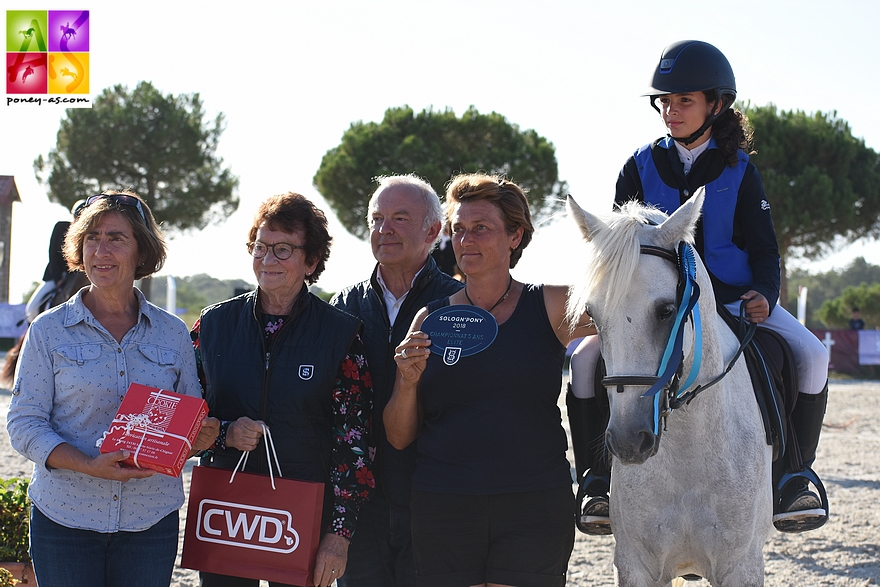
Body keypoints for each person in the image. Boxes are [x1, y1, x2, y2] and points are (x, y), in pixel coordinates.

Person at [569, 39, 830, 534]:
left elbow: (765, 249)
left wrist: (765, 295)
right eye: (665, 101)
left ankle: (793, 475)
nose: (671, 111)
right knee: (583, 363)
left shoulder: (741, 171)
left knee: (813, 357)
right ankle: (597, 481)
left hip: (733, 299)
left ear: (716, 104)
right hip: (657, 306)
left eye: (683, 100)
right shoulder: (638, 166)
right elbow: (619, 248)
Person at [384, 173, 595, 587]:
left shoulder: (552, 304)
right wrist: (407, 382)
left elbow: (635, 316)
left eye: (481, 228)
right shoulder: (430, 318)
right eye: (459, 229)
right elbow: (398, 436)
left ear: (516, 236)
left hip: (533, 501)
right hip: (444, 503)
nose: (465, 241)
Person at [7, 190, 220, 587]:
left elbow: (189, 420)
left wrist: (200, 437)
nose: (101, 250)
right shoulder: (47, 331)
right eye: (91, 238)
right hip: (65, 520)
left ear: (142, 251)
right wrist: (87, 465)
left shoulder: (173, 334)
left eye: (116, 238)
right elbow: (23, 424)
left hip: (150, 523)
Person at [192, 192, 374, 587]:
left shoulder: (341, 336)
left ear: (311, 261)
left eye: (283, 249)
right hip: (226, 511)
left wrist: (338, 536)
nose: (268, 259)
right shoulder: (212, 327)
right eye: (261, 247)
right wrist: (225, 434)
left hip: (300, 517)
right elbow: (183, 422)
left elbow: (355, 447)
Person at [331, 175, 463, 587]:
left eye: (400, 218)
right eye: (376, 219)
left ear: (433, 231)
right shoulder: (343, 305)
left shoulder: (459, 306)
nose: (384, 229)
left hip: (434, 501)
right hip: (358, 507)